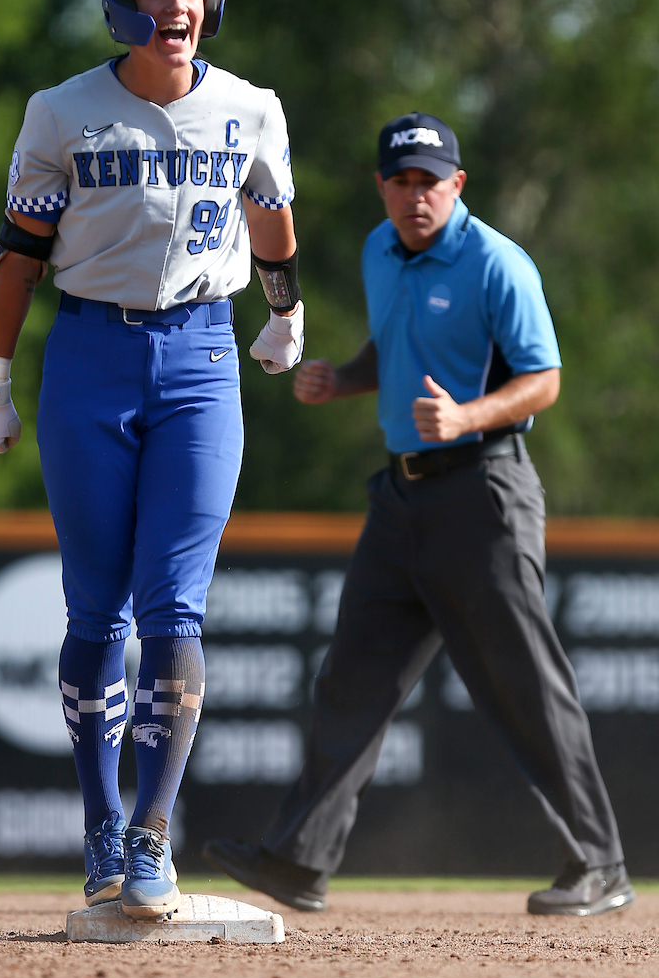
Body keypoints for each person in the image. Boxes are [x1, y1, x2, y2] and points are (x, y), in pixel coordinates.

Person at [203, 112, 634, 918]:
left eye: (430, 179)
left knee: (524, 685)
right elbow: (395, 350)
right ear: (383, 187)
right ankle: (299, 859)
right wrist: (346, 379)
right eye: (400, 180)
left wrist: (468, 417)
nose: (415, 194)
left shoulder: (497, 263)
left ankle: (600, 861)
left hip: (485, 491)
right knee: (352, 675)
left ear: (457, 184)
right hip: (401, 498)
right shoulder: (379, 251)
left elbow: (544, 380)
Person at [0, 0, 304, 918]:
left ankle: (153, 835)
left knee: (173, 610)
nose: (174, 9)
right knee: (93, 610)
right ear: (120, 8)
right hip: (89, 356)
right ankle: (101, 822)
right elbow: (18, 257)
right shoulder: (61, 112)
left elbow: (272, 214)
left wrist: (287, 311)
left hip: (200, 357)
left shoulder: (249, 109)